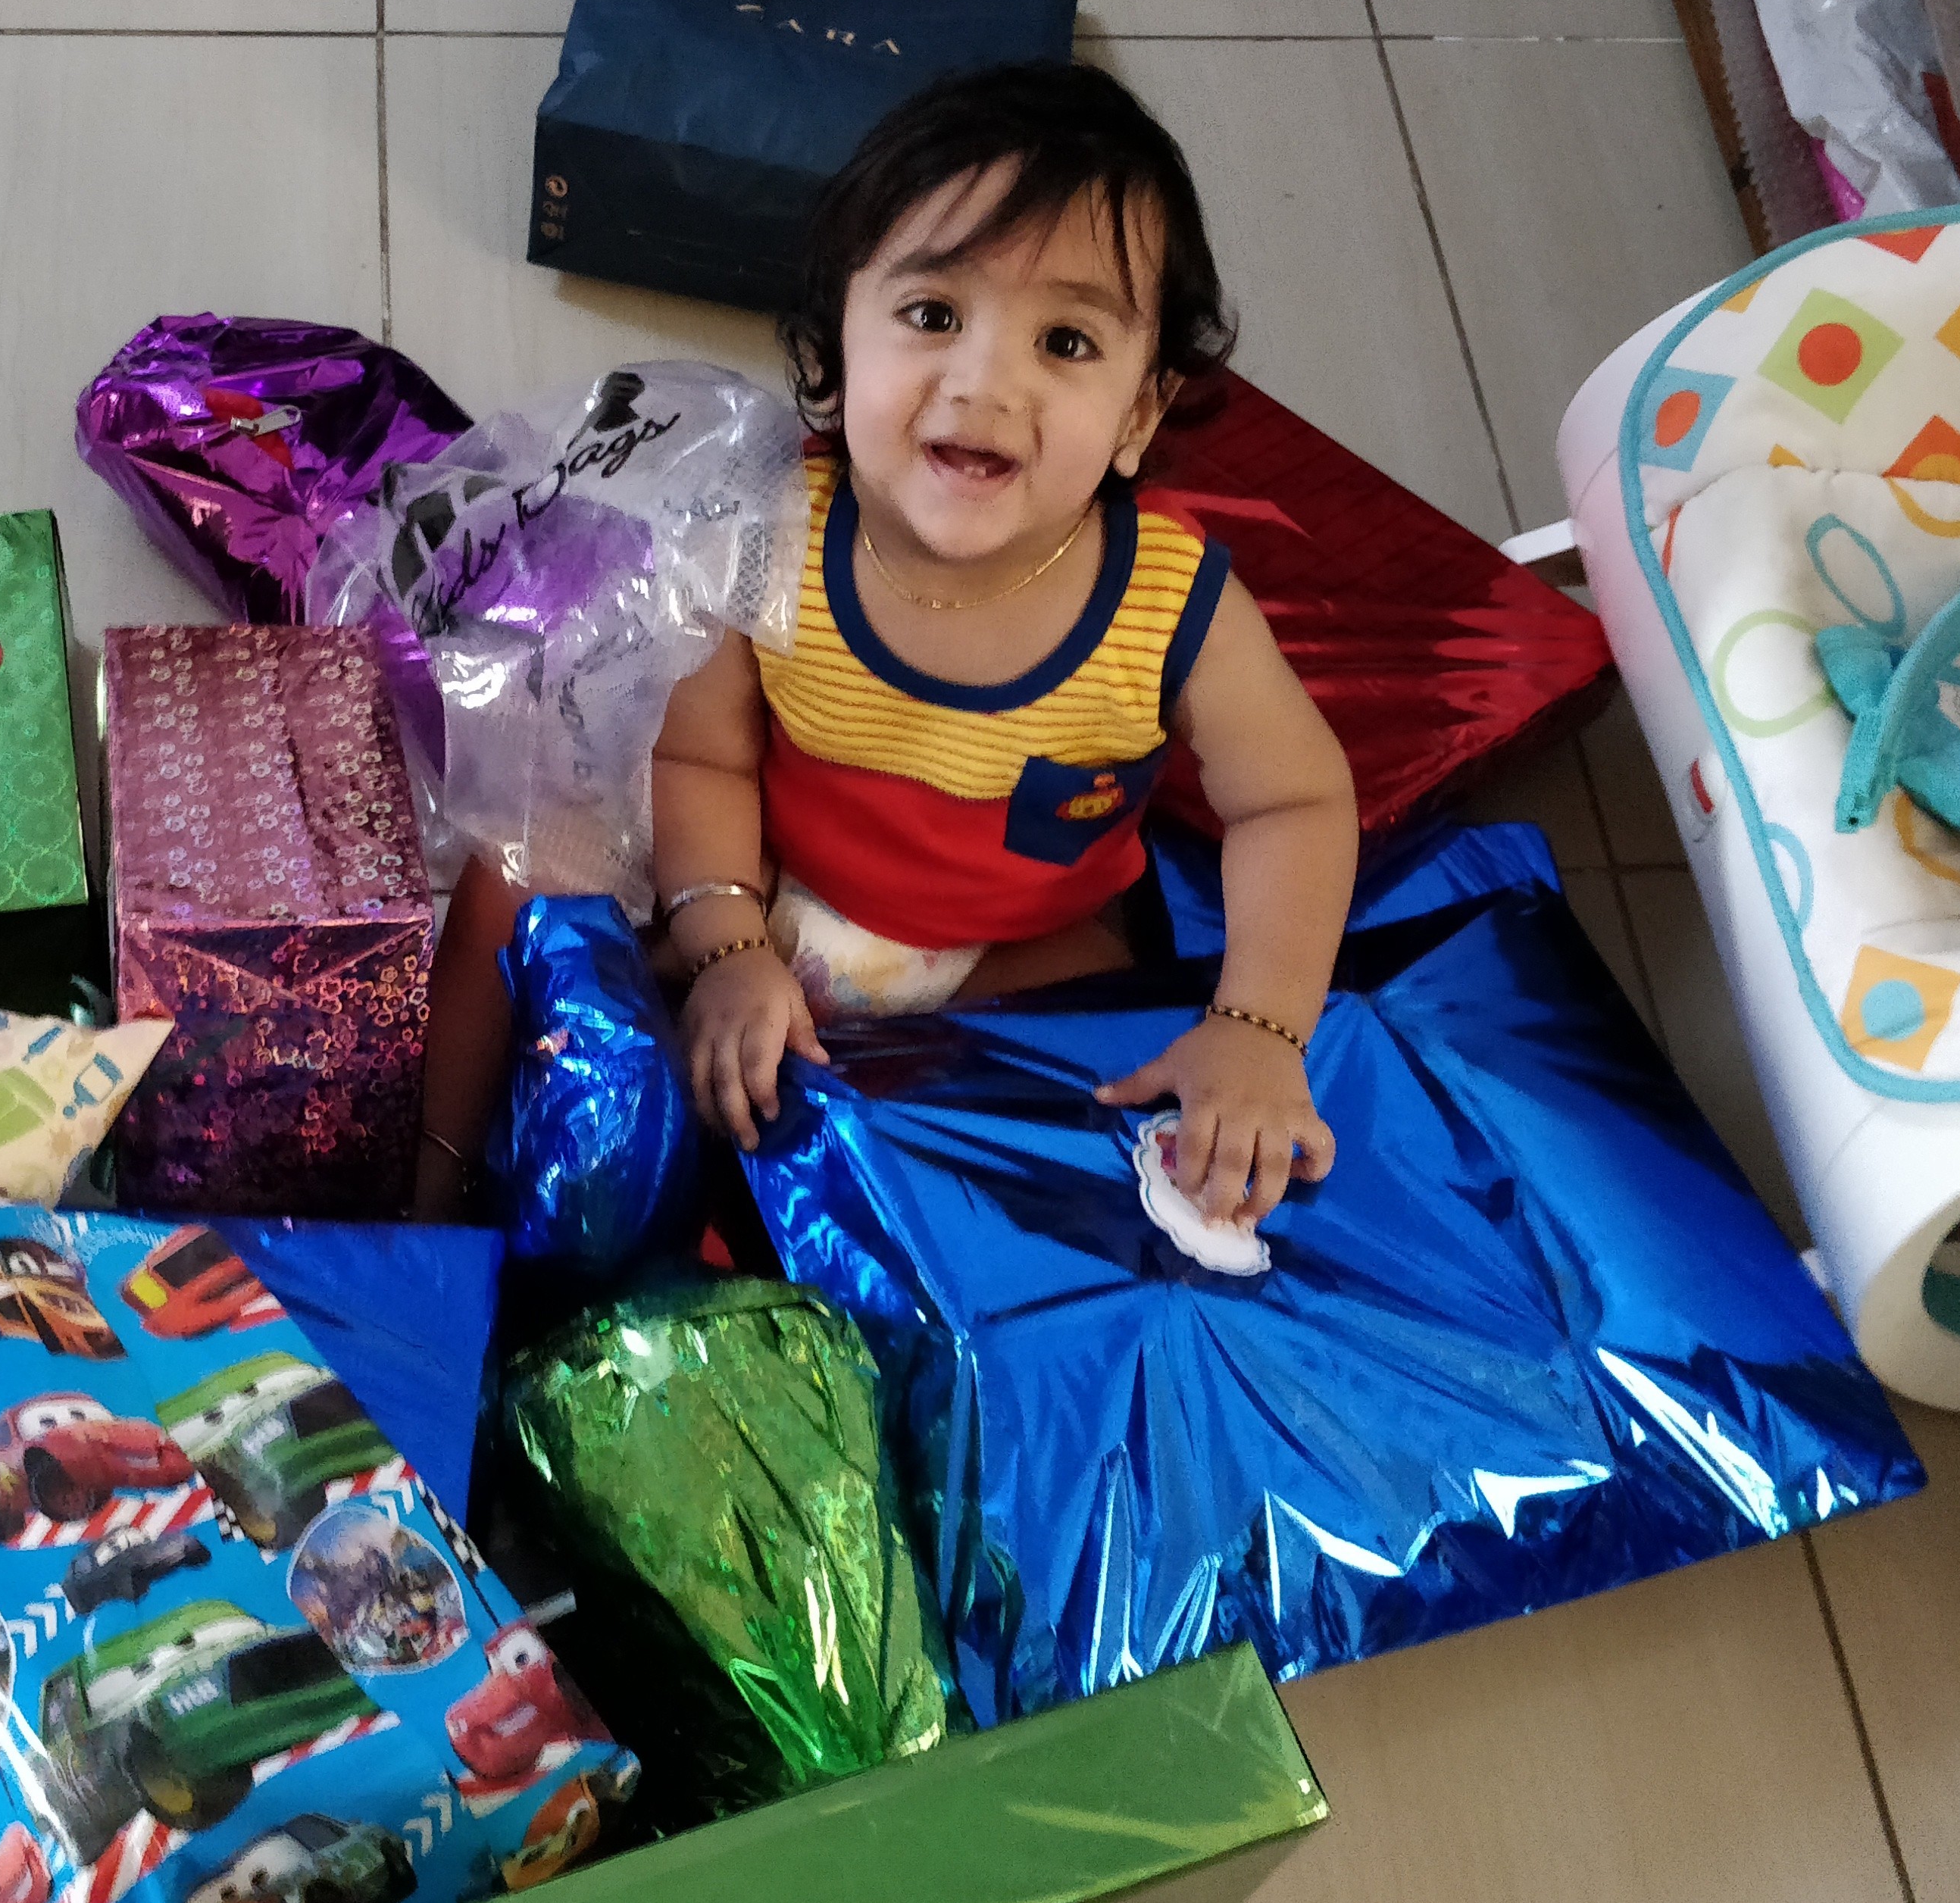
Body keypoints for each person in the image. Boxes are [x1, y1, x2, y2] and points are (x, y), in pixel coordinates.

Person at [416, 61, 1356, 1228]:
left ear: (1140, 415)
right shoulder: (775, 534)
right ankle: (429, 1189)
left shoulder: (1170, 607)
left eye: (1066, 341)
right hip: (766, 877)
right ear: (833, 352)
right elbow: (703, 760)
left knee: (1118, 1084)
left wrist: (1260, 1028)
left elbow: (1295, 802)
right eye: (934, 317)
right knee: (515, 872)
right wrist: (726, 943)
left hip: (1012, 944)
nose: (986, 382)